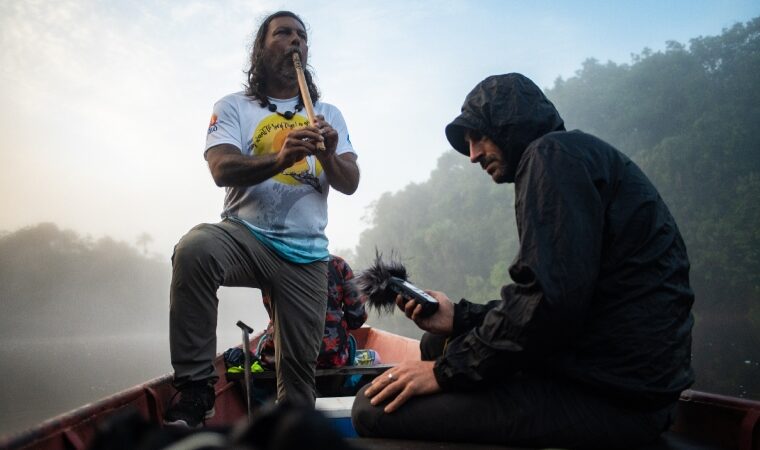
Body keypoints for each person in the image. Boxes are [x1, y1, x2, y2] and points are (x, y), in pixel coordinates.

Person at [351, 73, 694, 449]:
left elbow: (550, 302)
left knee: (372, 408)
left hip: (614, 396)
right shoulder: (572, 157)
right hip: (615, 376)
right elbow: (558, 299)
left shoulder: (551, 156)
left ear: (509, 123)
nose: (473, 155)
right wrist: (460, 317)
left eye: (478, 137)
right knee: (437, 340)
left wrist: (446, 373)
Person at [165, 11, 360, 428]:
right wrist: (280, 157)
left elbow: (350, 182)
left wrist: (326, 153)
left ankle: (290, 430)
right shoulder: (234, 107)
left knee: (298, 388)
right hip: (245, 236)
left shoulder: (328, 113)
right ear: (261, 47)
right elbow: (221, 169)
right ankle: (197, 389)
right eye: (283, 33)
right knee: (195, 249)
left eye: (302, 37)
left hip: (306, 255)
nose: (296, 42)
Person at [257, 255, 367, 369]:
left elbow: (272, 312)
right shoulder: (338, 265)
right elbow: (356, 318)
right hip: (329, 358)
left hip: (281, 357)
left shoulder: (273, 265)